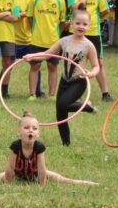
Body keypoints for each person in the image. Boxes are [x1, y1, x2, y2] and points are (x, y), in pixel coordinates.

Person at [24, 8, 99, 147]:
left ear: (89, 26)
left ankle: (86, 106)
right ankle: (66, 144)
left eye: (84, 24)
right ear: (71, 24)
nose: (80, 26)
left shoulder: (89, 45)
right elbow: (47, 55)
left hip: (79, 81)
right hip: (65, 81)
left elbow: (96, 66)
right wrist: (32, 56)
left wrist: (92, 73)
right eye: (78, 23)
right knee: (60, 113)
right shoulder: (63, 41)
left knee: (62, 104)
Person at [0, 112, 98, 186]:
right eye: (26, 128)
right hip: (18, 174)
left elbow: (42, 169)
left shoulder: (39, 147)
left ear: (38, 133)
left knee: (60, 179)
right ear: (19, 131)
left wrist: (42, 186)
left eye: (34, 128)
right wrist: (8, 184)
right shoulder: (15, 146)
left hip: (34, 174)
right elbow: (10, 168)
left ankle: (85, 183)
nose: (30, 131)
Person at [66, 0, 113, 102]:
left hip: (93, 32)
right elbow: (75, 7)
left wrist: (95, 19)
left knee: (98, 63)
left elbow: (105, 11)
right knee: (74, 62)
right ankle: (73, 93)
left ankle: (105, 93)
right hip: (75, 33)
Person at [26, 0, 66, 100]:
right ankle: (32, 94)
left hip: (53, 41)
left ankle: (52, 94)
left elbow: (62, 22)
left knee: (52, 66)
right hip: (37, 40)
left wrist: (57, 37)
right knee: (35, 66)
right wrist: (35, 31)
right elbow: (29, 18)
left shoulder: (60, 2)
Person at [10, 0, 35, 98]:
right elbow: (15, 16)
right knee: (8, 66)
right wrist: (28, 13)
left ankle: (36, 92)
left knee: (35, 66)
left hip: (30, 39)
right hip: (14, 39)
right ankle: (4, 90)